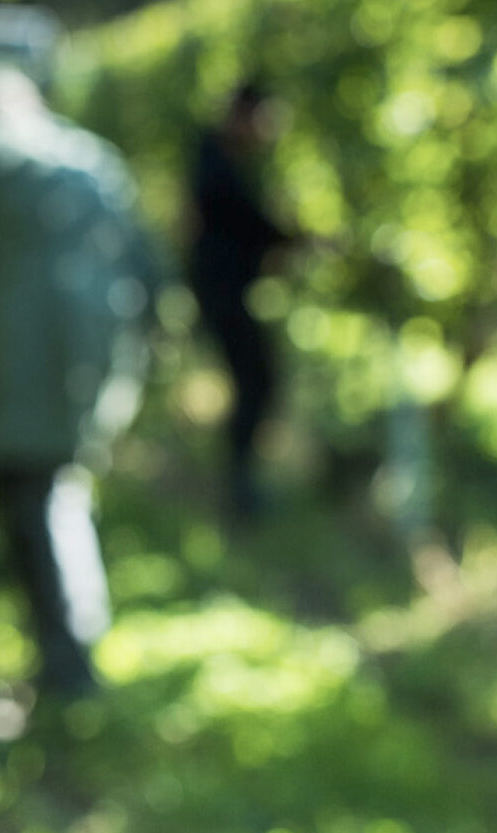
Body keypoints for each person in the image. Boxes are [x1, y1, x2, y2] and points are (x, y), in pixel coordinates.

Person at [0, 64, 155, 700]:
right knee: (59, 490)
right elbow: (149, 266)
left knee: (33, 503)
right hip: (93, 352)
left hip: (16, 356)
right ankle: (76, 645)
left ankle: (68, 670)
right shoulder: (94, 155)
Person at [185, 83, 291, 519]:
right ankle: (240, 489)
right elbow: (246, 221)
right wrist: (293, 238)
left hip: (223, 287)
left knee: (256, 381)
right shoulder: (216, 162)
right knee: (257, 381)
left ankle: (240, 483)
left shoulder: (220, 158)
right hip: (220, 289)